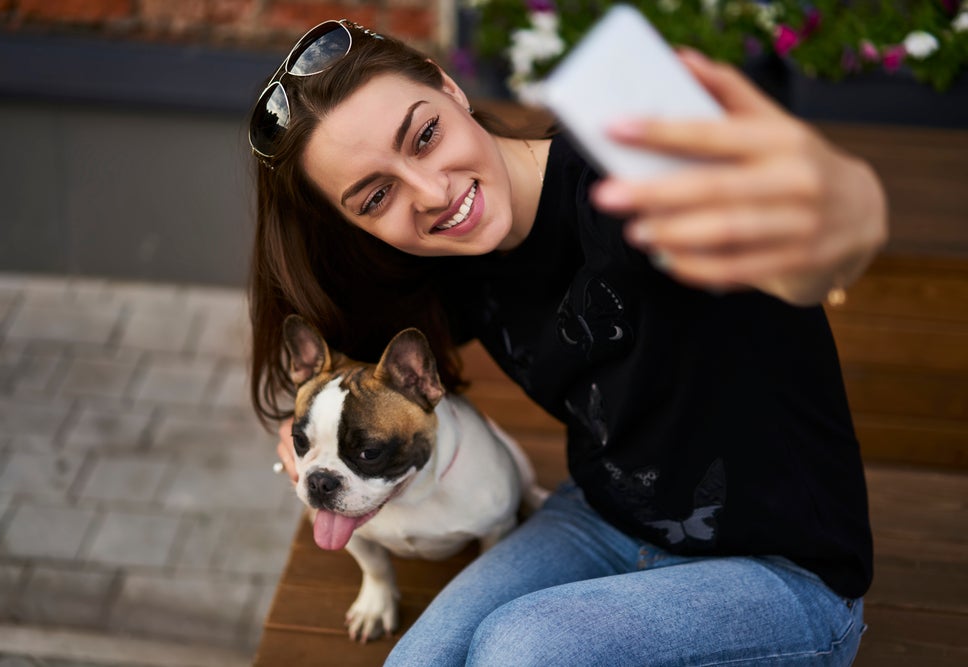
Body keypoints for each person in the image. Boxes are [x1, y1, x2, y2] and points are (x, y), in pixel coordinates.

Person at [248, 18, 887, 666]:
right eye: (376, 195)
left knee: (519, 650)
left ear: (448, 86)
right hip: (600, 518)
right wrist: (303, 439)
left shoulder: (620, 188)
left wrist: (842, 210)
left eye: (425, 134)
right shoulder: (440, 262)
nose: (432, 192)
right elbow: (337, 378)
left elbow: (805, 241)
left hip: (782, 569)